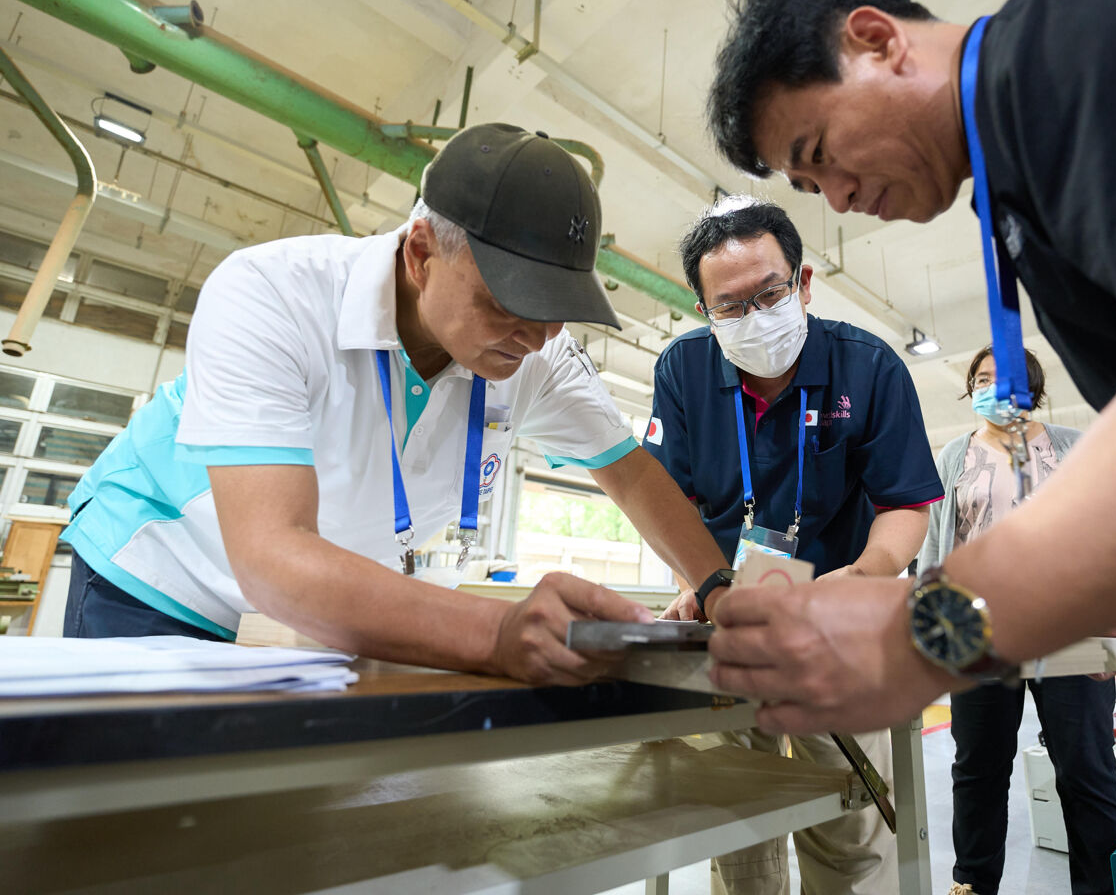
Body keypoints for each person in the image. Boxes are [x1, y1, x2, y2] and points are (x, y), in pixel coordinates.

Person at [699, 0, 1116, 740]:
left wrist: (922, 637)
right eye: (808, 187)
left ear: (876, 40)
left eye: (820, 155)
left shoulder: (1082, 35)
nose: (835, 200)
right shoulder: (1014, 190)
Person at [60, 123, 732, 685]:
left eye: (559, 311)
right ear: (420, 253)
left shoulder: (538, 359)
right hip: (161, 575)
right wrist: (499, 631)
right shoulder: (271, 295)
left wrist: (719, 591)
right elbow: (270, 555)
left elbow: (633, 474)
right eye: (509, 303)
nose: (536, 336)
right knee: (137, 819)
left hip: (313, 607)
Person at [645, 195, 942, 895]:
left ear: (803, 284)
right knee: (736, 821)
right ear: (701, 310)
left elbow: (906, 506)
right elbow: (668, 500)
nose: (753, 317)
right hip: (728, 619)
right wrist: (699, 579)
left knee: (847, 816)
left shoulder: (868, 367)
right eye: (729, 305)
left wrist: (866, 575)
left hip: (834, 623)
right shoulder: (683, 372)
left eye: (769, 293)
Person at [921, 346, 1116, 895]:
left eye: (1006, 378)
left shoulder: (1072, 448)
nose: (991, 387)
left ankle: (1101, 886)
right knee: (977, 774)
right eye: (981, 378)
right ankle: (973, 886)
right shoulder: (954, 456)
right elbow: (935, 549)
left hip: (1075, 634)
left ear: (1034, 388)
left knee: (1085, 773)